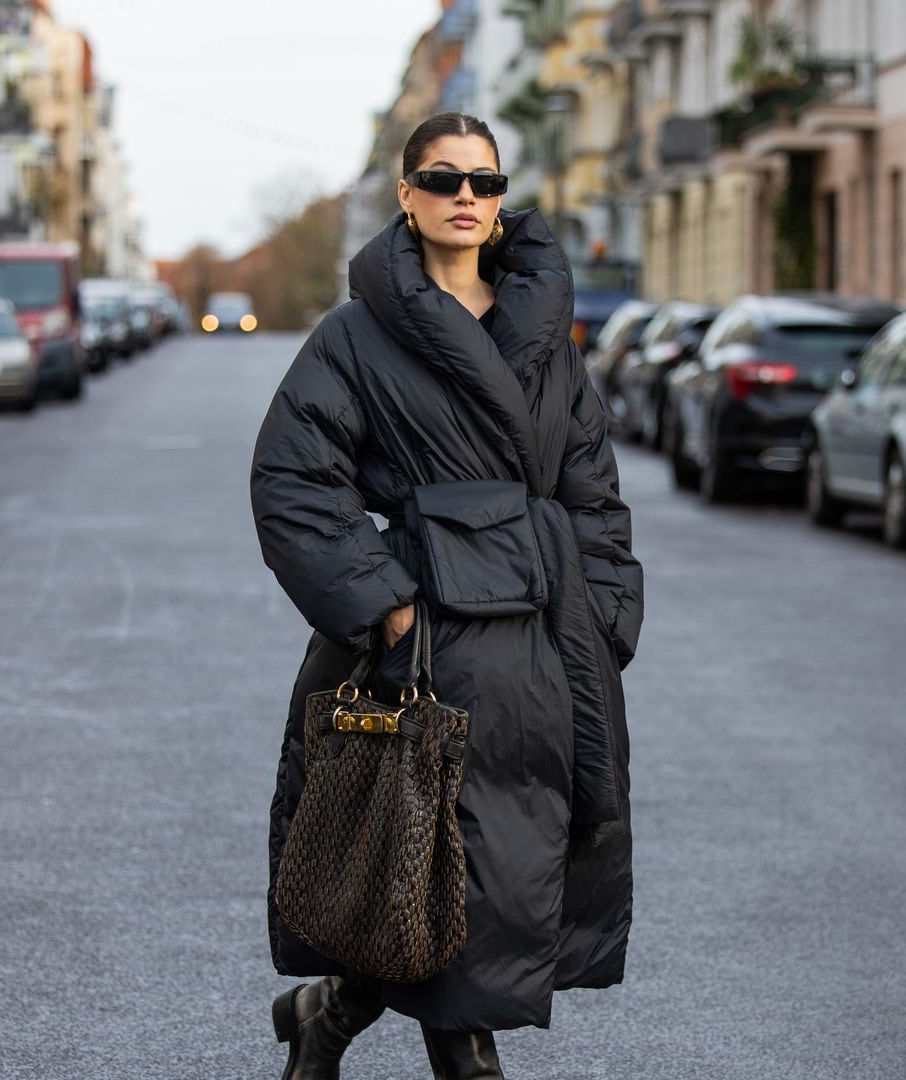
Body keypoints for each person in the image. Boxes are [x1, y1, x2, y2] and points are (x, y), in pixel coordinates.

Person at [250, 112, 644, 1079]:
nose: (465, 196)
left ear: (503, 201)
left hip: (544, 646)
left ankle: (326, 1017)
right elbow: (295, 477)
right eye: (442, 177)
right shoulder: (355, 337)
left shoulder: (546, 334)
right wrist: (385, 605)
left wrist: (602, 608)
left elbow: (590, 481)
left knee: (476, 870)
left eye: (485, 181)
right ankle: (468, 1065)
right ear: (406, 195)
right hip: (418, 643)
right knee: (431, 854)